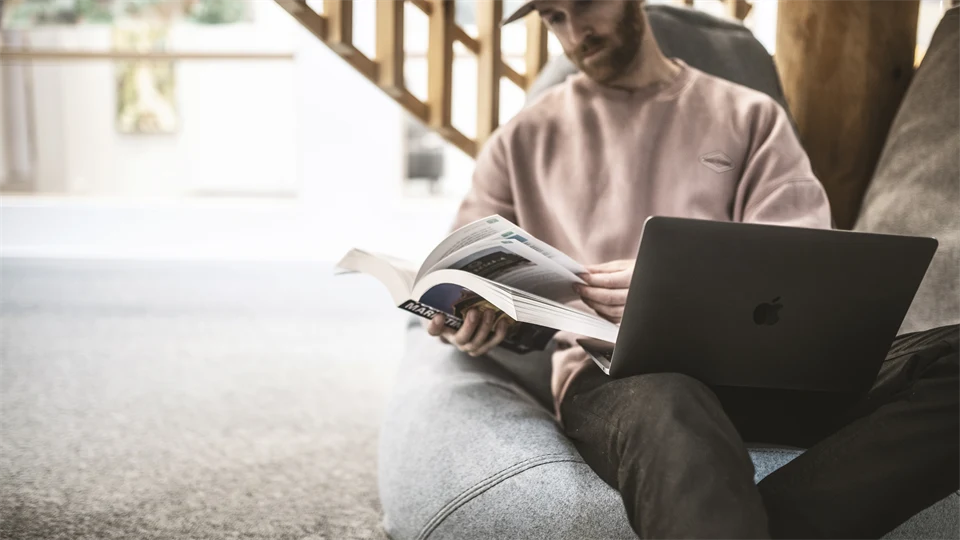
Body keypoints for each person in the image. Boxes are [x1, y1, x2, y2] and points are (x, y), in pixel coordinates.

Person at [425, 0, 960, 538]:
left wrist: (678, 292)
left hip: (769, 371)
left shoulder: (749, 115)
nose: (574, 33)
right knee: (670, 400)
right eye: (553, 17)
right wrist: (462, 316)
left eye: (585, 6)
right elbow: (464, 271)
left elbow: (802, 271)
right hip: (618, 375)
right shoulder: (520, 139)